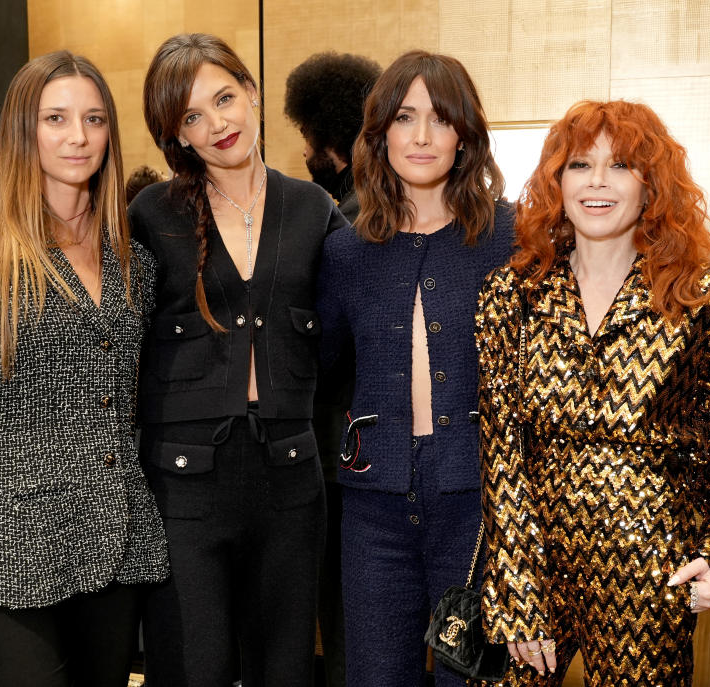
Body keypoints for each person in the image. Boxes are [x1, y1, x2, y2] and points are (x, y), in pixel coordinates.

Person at [475, 100, 710, 684]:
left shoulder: (702, 295)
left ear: (651, 185)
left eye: (622, 165)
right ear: (557, 180)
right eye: (580, 164)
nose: (598, 181)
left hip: (650, 562)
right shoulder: (512, 291)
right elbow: (501, 450)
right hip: (537, 559)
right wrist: (516, 589)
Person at [0, 51, 169, 687]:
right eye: (56, 118)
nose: (77, 136)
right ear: (25, 131)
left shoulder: (132, 260)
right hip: (17, 556)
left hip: (116, 541)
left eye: (94, 118)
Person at [129, 33, 347, 687]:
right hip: (183, 484)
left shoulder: (313, 208)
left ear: (251, 92)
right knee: (194, 667)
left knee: (285, 669)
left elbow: (348, 333)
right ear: (176, 135)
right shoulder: (152, 213)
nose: (217, 123)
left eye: (225, 98)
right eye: (192, 116)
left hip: (291, 482)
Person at [316, 50, 515, 686]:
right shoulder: (346, 250)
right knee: (375, 675)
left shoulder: (511, 238)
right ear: (380, 134)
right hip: (374, 507)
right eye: (405, 118)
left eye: (440, 118)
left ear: (466, 135)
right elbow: (321, 373)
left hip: (479, 502)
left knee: (476, 676)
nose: (422, 137)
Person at [283, 49, 381, 687]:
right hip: (376, 442)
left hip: (338, 444)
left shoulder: (338, 222)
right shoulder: (383, 205)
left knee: (348, 614)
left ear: (327, 142)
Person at [284, 51, 381, 224]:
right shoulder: (374, 197)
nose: (305, 152)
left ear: (331, 138)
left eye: (307, 137)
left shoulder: (355, 217)